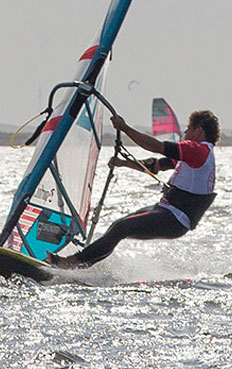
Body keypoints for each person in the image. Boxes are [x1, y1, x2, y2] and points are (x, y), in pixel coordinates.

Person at [51, 109, 219, 269]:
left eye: (189, 129)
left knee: (121, 228)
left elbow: (157, 146)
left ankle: (72, 263)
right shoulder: (196, 155)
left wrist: (124, 128)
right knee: (117, 227)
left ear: (199, 131)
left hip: (175, 218)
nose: (185, 133)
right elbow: (155, 166)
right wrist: (124, 163)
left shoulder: (198, 150)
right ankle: (81, 264)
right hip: (167, 211)